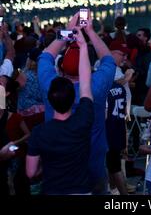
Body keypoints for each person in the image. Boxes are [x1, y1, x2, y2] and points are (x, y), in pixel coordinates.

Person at [37, 11, 116, 194]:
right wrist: (90, 32)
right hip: (93, 165)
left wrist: (67, 32)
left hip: (56, 171)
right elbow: (108, 60)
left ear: (61, 67)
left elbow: (45, 56)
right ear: (88, 66)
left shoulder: (51, 85)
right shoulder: (95, 86)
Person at [26, 28, 94, 195]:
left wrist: (67, 31)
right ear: (73, 100)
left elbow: (30, 172)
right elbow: (85, 82)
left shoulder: (39, 132)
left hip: (52, 190)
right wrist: (83, 46)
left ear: (49, 100)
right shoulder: (83, 120)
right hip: (81, 191)